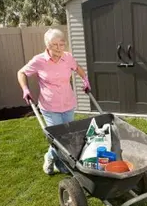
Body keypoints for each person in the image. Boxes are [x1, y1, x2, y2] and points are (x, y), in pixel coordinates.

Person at [17, 28, 91, 175]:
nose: (59, 48)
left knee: (66, 137)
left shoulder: (68, 57)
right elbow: (22, 72)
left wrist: (85, 79)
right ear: (47, 45)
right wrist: (25, 88)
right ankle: (53, 160)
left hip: (68, 104)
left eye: (61, 44)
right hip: (50, 106)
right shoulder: (39, 60)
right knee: (58, 139)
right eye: (54, 45)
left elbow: (77, 68)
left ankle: (52, 158)